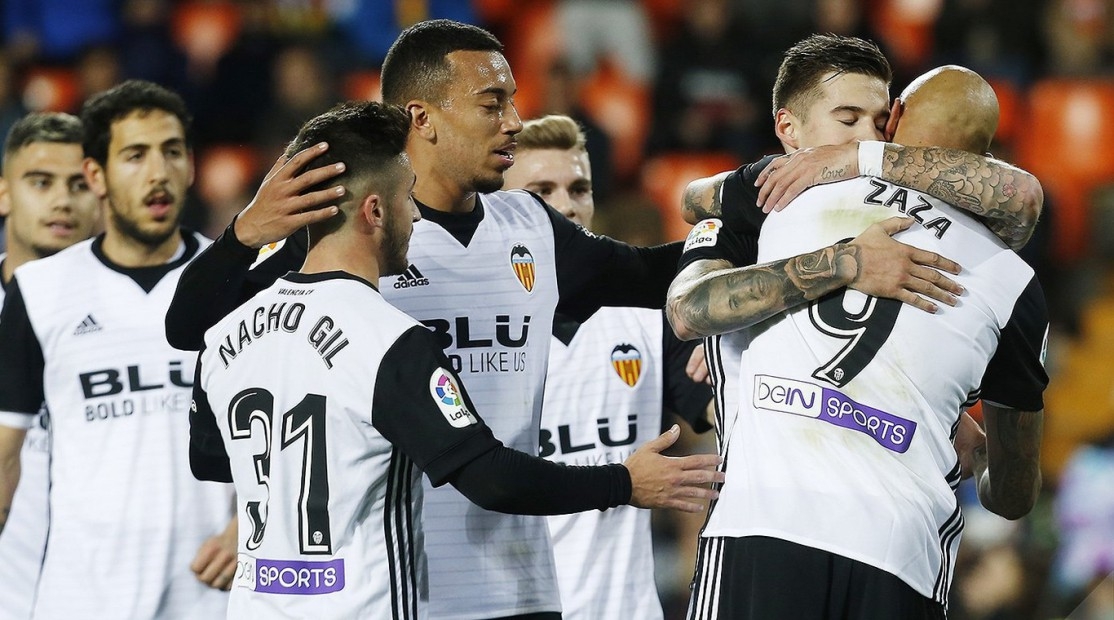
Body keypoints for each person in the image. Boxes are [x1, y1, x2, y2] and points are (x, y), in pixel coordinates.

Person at [165, 19, 699, 620]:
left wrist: (751, 220)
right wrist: (243, 235)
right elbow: (195, 329)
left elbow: (652, 274)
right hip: (396, 589)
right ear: (423, 118)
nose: (514, 122)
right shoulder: (350, 235)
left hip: (518, 583)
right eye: (492, 104)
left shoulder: (531, 227)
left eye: (512, 101)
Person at [683, 65, 1048, 619]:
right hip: (902, 555)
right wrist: (976, 454)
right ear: (987, 155)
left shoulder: (789, 190)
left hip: (764, 522)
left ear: (894, 117)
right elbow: (1014, 495)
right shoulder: (1015, 283)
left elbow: (693, 227)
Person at [0, 80, 235, 618]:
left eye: (172, 152)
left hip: (210, 592)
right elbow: (5, 456)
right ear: (97, 175)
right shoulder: (40, 291)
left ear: (192, 167)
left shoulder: (239, 284)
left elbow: (286, 429)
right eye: (135, 155)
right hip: (82, 596)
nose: (158, 172)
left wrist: (248, 526)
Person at [502, 114, 714, 619]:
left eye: (579, 189)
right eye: (541, 191)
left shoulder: (648, 319)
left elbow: (720, 413)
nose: (566, 206)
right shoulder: (473, 338)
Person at [0, 111, 100, 620]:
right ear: (4, 193)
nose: (62, 201)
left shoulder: (145, 317)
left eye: (78, 185)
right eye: (40, 183)